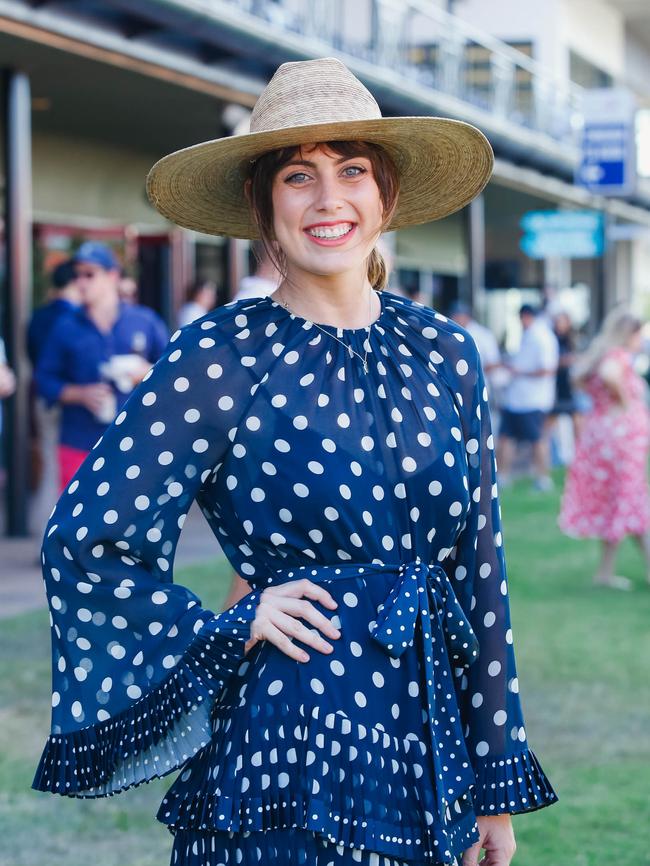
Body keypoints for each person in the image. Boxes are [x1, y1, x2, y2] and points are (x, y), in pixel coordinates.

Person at [33, 58, 556, 866]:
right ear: (264, 204)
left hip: (429, 746)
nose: (328, 199)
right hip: (287, 745)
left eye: (351, 170)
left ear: (385, 193)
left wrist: (496, 781)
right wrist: (226, 625)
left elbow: (478, 572)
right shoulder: (221, 354)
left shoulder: (448, 352)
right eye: (298, 176)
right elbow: (87, 541)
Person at [35, 241, 170, 491]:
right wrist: (79, 394)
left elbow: (175, 372)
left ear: (112, 276)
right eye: (77, 275)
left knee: (129, 524)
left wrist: (146, 372)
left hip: (135, 442)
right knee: (76, 523)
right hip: (78, 441)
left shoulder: (144, 321)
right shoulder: (65, 327)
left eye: (89, 274)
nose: (81, 281)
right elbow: (44, 379)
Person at [559, 308, 650, 589]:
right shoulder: (618, 356)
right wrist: (625, 403)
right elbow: (611, 376)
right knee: (631, 501)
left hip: (603, 436)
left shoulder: (600, 355)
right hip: (622, 440)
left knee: (623, 503)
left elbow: (578, 377)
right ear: (629, 333)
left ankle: (605, 573)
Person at [27, 260, 81, 530]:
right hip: (71, 400)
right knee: (61, 468)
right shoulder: (74, 319)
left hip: (43, 398)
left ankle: (42, 531)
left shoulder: (38, 316)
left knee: (50, 462)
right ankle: (53, 535)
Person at [497, 304, 559, 490]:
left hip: (533, 399)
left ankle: (543, 478)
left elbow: (548, 369)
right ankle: (503, 476)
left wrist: (519, 371)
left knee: (537, 439)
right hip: (517, 398)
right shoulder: (530, 334)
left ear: (525, 316)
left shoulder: (542, 336)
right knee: (505, 437)